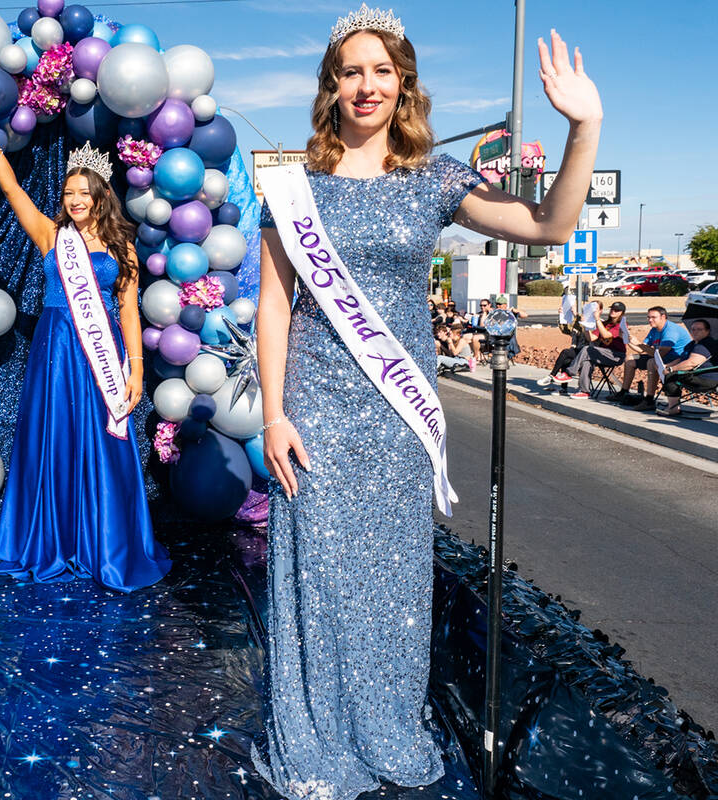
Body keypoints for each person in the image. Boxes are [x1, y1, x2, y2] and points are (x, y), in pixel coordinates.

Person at [255, 10, 600, 797]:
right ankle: (315, 737)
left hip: (398, 417)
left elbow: (551, 224)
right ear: (330, 86)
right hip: (315, 413)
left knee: (393, 581)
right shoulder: (290, 187)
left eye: (381, 70)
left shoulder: (436, 180)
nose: (366, 84)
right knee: (318, 574)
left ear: (402, 81)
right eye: (351, 70)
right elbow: (274, 307)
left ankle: (382, 725)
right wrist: (274, 414)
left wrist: (585, 127)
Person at [0, 93, 171, 593]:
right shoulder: (50, 235)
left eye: (83, 192)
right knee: (55, 439)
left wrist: (137, 371)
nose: (75, 200)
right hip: (57, 352)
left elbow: (127, 310)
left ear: (101, 194)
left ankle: (104, 543)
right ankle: (54, 540)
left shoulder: (122, 244)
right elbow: (12, 188)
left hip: (103, 356)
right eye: (68, 193)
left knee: (104, 443)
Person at [610, 306, 690, 409]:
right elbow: (642, 349)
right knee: (630, 359)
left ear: (663, 317)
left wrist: (639, 343)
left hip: (675, 361)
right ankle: (623, 392)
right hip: (660, 358)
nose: (650, 320)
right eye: (648, 317)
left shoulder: (670, 330)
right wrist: (626, 339)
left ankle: (649, 400)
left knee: (652, 362)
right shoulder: (654, 330)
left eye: (653, 317)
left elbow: (659, 354)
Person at [562, 301, 626, 399]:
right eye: (612, 309)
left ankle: (569, 373)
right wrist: (586, 325)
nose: (613, 311)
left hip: (616, 355)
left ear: (621, 313)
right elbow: (591, 338)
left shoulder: (621, 325)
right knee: (586, 362)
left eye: (616, 310)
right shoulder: (605, 323)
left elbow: (606, 335)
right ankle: (584, 391)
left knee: (587, 349)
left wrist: (597, 319)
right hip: (603, 354)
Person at [660, 319, 718, 417]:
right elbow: (681, 358)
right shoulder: (693, 344)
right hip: (695, 375)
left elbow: (691, 363)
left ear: (707, 331)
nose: (695, 332)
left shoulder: (705, 344)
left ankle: (673, 409)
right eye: (693, 329)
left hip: (707, 379)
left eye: (699, 329)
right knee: (668, 373)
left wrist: (671, 369)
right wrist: (667, 366)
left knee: (671, 376)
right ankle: (672, 405)